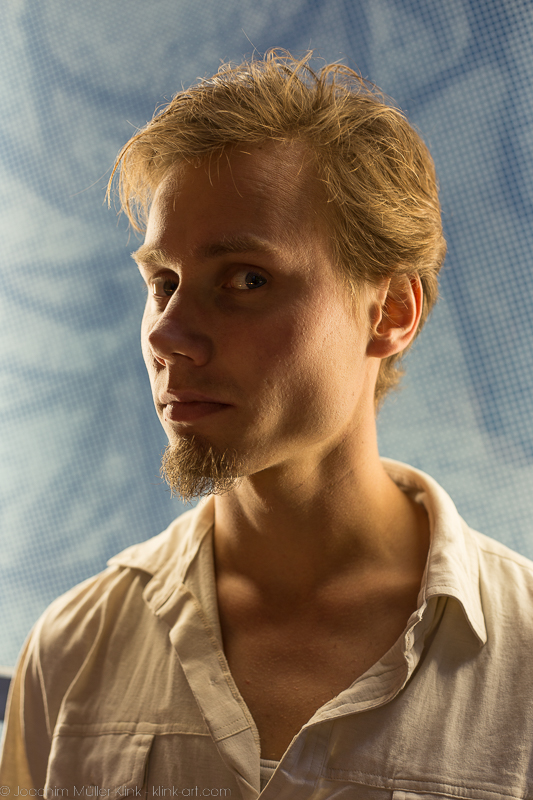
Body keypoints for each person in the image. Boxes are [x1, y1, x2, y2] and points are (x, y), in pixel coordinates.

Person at [2, 49, 533, 799]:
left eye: (245, 279)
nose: (167, 335)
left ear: (390, 311)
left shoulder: (522, 660)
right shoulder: (72, 651)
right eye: (162, 282)